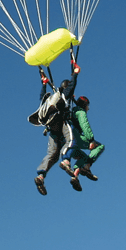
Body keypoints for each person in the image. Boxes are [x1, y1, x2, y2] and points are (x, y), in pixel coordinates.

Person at [29, 59, 79, 195]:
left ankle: (41, 176)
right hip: (61, 123)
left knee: (52, 155)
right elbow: (72, 86)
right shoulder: (63, 96)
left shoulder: (50, 98)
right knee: (71, 141)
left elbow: (41, 98)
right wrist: (75, 74)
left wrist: (44, 84)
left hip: (51, 128)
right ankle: (66, 161)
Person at [58, 95, 103, 185]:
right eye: (88, 106)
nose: (88, 109)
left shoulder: (73, 111)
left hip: (67, 142)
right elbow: (84, 125)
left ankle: (75, 176)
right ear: (85, 105)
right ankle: (86, 167)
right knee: (100, 147)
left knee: (84, 157)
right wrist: (91, 140)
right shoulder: (80, 112)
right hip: (76, 137)